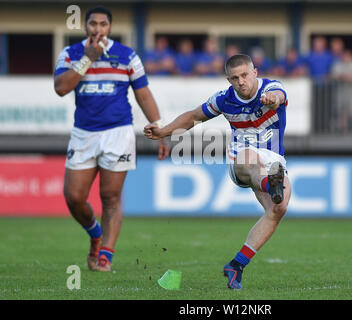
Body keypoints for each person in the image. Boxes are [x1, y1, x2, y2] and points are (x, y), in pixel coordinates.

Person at [144, 54, 291, 290]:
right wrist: (163, 132)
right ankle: (270, 183)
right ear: (228, 80)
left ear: (255, 72)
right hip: (241, 158)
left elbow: (278, 97)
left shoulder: (271, 87)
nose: (241, 81)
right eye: (235, 78)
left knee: (279, 207)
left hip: (273, 157)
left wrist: (273, 99)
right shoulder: (224, 99)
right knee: (250, 159)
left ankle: (237, 264)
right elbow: (193, 117)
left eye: (245, 75)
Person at [53, 6, 169, 272]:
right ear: (86, 27)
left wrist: (160, 130)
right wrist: (88, 59)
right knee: (73, 196)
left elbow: (144, 95)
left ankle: (105, 254)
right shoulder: (71, 53)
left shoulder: (127, 55)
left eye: (103, 24)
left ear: (110, 27)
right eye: (93, 24)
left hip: (118, 133)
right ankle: (95, 234)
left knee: (110, 197)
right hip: (84, 133)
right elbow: (61, 88)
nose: (98, 29)